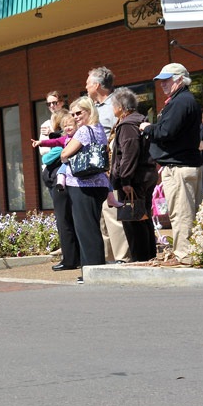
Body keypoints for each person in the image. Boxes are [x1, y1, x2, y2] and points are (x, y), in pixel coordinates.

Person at [139, 63, 203, 265]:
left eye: (166, 80)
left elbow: (166, 132)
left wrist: (148, 128)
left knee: (181, 212)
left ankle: (185, 256)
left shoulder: (181, 101)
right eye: (161, 81)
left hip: (179, 167)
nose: (162, 84)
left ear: (179, 80)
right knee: (186, 211)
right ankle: (188, 252)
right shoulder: (183, 100)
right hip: (182, 165)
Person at [60, 97, 112, 277]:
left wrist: (64, 154)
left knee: (85, 230)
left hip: (82, 184)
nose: (75, 117)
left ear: (89, 111)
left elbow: (65, 154)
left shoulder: (83, 132)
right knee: (93, 227)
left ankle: (91, 271)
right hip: (100, 184)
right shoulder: (100, 130)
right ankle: (97, 268)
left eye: (79, 113)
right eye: (73, 114)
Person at [109, 87, 157, 262]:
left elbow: (129, 153)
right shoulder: (139, 120)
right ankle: (149, 256)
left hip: (134, 180)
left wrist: (125, 179)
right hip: (144, 175)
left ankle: (141, 258)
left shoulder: (128, 124)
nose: (112, 108)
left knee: (133, 220)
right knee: (142, 217)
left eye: (114, 105)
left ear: (121, 106)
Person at [86, 66, 129, 264]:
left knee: (113, 214)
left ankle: (122, 257)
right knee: (102, 216)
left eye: (87, 83)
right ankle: (106, 259)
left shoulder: (116, 105)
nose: (85, 87)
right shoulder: (95, 107)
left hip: (112, 168)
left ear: (96, 85)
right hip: (97, 170)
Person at [34, 111, 80, 271]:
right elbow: (50, 145)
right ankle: (72, 258)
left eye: (69, 124)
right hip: (61, 181)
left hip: (63, 183)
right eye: (64, 125)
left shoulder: (71, 139)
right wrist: (42, 142)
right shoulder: (63, 138)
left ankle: (70, 260)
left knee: (64, 221)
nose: (67, 127)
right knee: (66, 220)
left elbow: (48, 158)